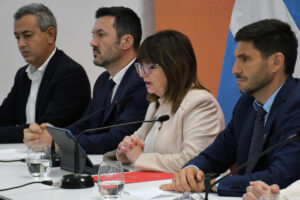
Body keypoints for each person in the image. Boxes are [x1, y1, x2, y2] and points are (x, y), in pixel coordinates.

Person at [160, 19, 300, 196]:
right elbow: (216, 154)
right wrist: (191, 171)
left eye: (245, 59)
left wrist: (213, 184)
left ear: (276, 62)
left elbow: (281, 177)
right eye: (236, 59)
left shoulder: (296, 104)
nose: (235, 69)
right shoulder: (247, 104)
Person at [23, 7, 148, 154]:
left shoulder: (143, 80)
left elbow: (118, 139)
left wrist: (58, 142)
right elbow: (85, 125)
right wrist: (51, 134)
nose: (93, 42)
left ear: (126, 41)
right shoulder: (103, 81)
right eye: (93, 35)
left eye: (101, 35)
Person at [115, 30, 225, 173]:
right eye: (141, 66)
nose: (142, 74)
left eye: (150, 67)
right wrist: (125, 151)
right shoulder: (156, 104)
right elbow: (136, 141)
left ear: (173, 66)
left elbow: (193, 162)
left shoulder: (201, 103)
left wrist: (139, 158)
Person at [0, 3, 91, 143]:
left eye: (27, 36)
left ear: (50, 34)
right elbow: (5, 117)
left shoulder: (71, 74)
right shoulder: (22, 75)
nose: (21, 44)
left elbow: (44, 129)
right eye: (17, 37)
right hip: (26, 156)